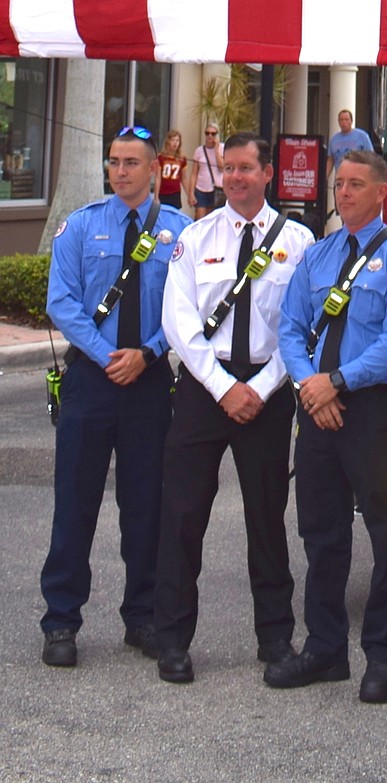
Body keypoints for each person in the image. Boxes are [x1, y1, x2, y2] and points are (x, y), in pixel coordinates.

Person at [153, 132, 314, 684]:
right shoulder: (195, 237)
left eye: (247, 167)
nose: (237, 177)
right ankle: (172, 639)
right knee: (182, 517)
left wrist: (262, 388)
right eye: (229, 168)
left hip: (267, 392)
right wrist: (223, 387)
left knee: (267, 519)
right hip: (205, 388)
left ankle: (276, 639)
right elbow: (177, 320)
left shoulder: (298, 240)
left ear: (268, 173)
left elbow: (299, 327)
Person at [272, 150, 387, 704]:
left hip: (371, 411)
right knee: (321, 533)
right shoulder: (315, 257)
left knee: (386, 535)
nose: (345, 193)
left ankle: (382, 658)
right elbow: (290, 330)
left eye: (357, 184)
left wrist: (335, 381)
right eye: (340, 184)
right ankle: (324, 649)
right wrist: (311, 387)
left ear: (382, 191)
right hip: (317, 408)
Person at [40, 126, 191, 667]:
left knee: (145, 506)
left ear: (155, 169)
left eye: (132, 162)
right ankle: (61, 620)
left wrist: (147, 354)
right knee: (75, 503)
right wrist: (108, 355)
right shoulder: (81, 226)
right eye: (114, 161)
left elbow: (185, 313)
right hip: (91, 381)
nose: (120, 170)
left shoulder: (178, 231)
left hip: (148, 384)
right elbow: (62, 302)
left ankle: (143, 616)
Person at [189, 123, 224, 220]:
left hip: (216, 189)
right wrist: (191, 193)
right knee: (200, 218)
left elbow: (222, 167)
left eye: (213, 134)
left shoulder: (222, 148)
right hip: (201, 189)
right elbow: (194, 173)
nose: (210, 136)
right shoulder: (199, 151)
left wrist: (216, 150)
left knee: (213, 220)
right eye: (207, 133)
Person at [326, 110, 373, 179]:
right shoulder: (334, 139)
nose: (344, 122)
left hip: (358, 179)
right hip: (340, 179)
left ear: (351, 121)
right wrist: (324, 177)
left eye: (346, 119)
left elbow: (371, 158)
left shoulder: (362, 136)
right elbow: (330, 160)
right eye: (341, 120)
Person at [154, 129, 191, 210]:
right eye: (173, 140)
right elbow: (158, 178)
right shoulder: (161, 158)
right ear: (168, 142)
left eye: (177, 140)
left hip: (175, 193)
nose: (175, 143)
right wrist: (156, 196)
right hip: (163, 193)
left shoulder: (182, 159)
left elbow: (184, 179)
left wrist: (190, 195)